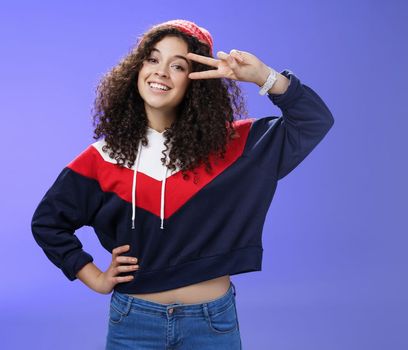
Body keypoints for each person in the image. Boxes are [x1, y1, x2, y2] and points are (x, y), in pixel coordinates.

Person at [29, 19, 334, 349]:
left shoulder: (237, 146)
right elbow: (48, 222)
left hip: (211, 323)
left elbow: (314, 120)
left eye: (178, 65)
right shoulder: (103, 158)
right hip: (133, 321)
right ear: (136, 69)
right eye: (153, 59)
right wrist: (95, 277)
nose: (161, 72)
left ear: (196, 82)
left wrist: (264, 77)